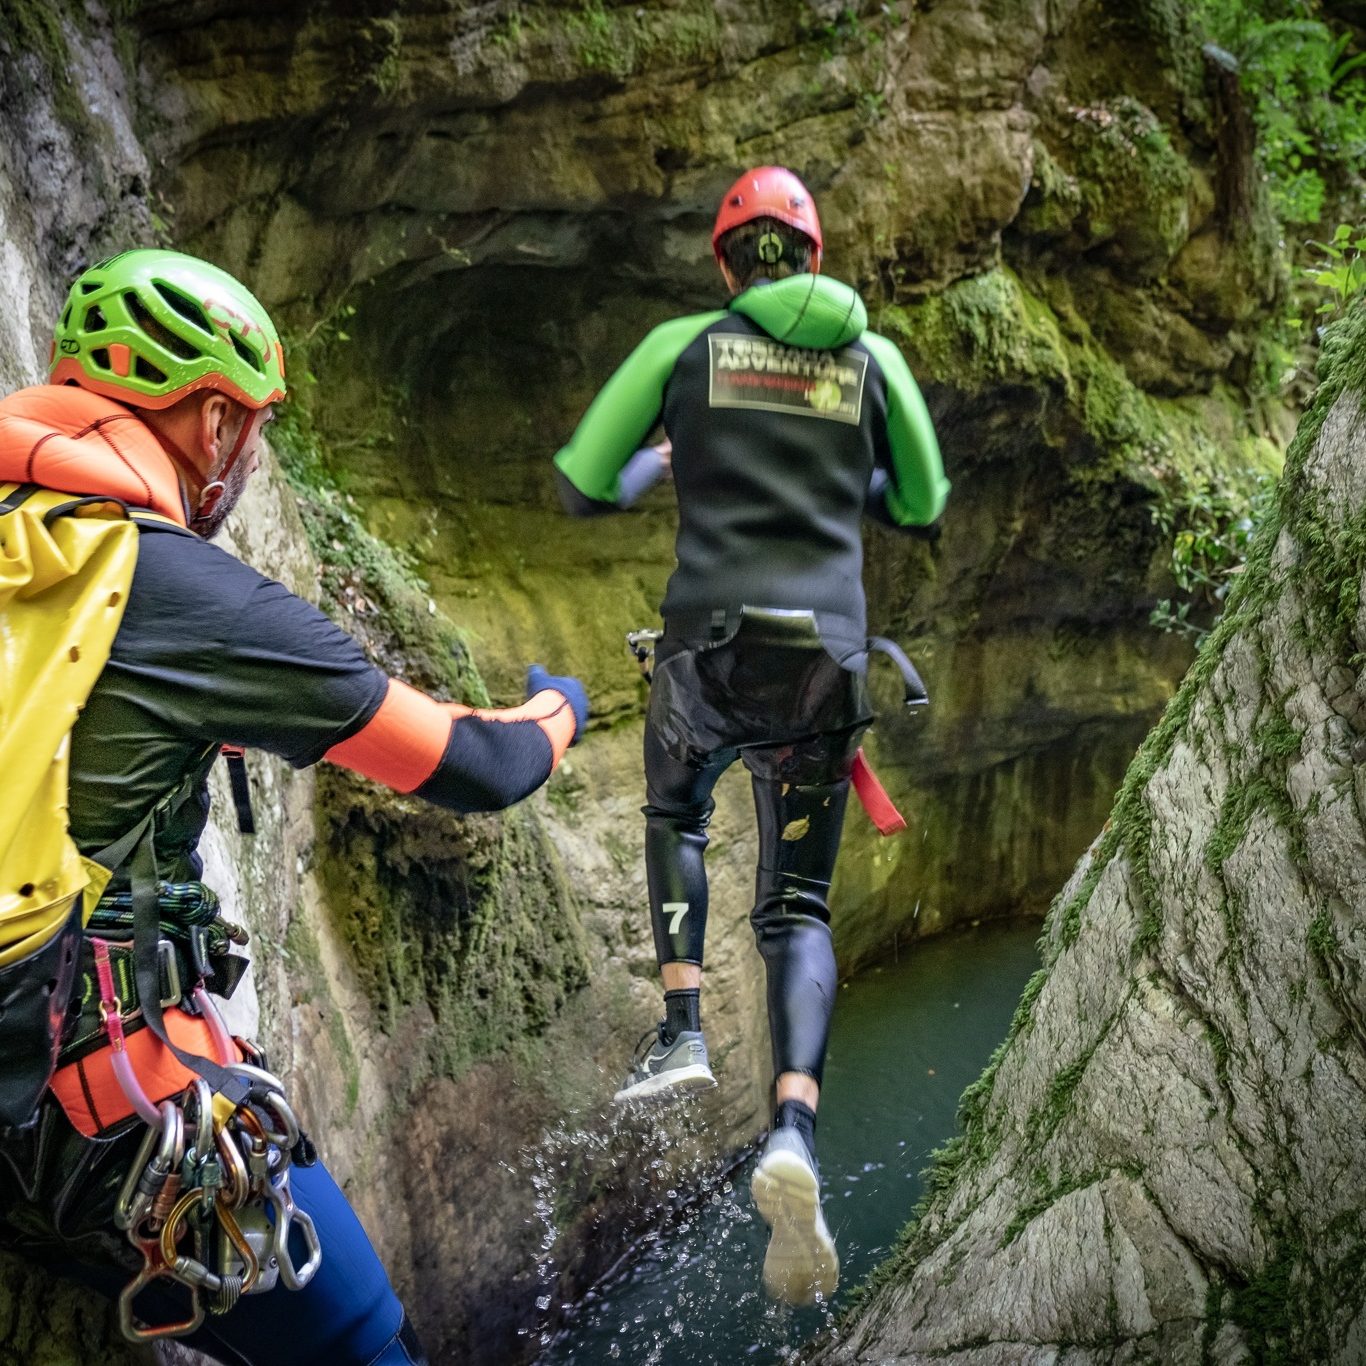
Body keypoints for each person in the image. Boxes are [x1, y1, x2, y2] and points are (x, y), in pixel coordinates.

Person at [0, 248, 589, 1364]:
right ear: (214, 422)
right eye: (254, 430)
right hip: (77, 1114)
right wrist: (556, 712)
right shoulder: (178, 586)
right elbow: (479, 769)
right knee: (370, 1343)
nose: (250, 460)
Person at [553, 167, 948, 1305]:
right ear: (812, 259)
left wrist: (663, 460)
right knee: (798, 907)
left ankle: (681, 1024)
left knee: (676, 806)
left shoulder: (685, 344)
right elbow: (917, 505)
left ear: (727, 267)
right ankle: (792, 1131)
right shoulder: (876, 362)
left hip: (707, 658)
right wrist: (850, 474)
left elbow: (585, 484)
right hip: (824, 661)